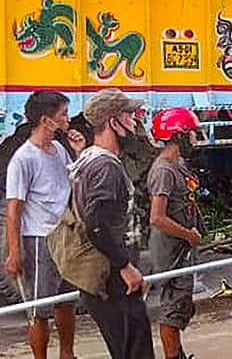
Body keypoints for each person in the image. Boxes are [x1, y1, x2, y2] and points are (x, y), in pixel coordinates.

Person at [72, 88, 154, 358]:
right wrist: (125, 266)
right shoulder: (106, 167)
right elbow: (95, 224)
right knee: (135, 351)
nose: (135, 122)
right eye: (129, 115)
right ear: (112, 122)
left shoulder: (87, 158)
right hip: (113, 281)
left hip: (108, 279)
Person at [5, 91, 85, 359]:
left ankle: (67, 354)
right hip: (38, 239)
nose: (67, 119)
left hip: (65, 236)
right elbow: (14, 208)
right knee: (39, 309)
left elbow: (74, 183)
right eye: (62, 114)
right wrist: (15, 252)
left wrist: (79, 152)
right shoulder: (24, 158)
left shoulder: (60, 150)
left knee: (66, 301)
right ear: (45, 120)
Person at [148, 108, 204, 359]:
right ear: (180, 136)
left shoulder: (177, 165)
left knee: (181, 303)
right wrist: (187, 235)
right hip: (171, 250)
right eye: (192, 134)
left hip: (181, 247)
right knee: (172, 307)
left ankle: (178, 353)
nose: (195, 139)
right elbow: (157, 217)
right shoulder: (164, 171)